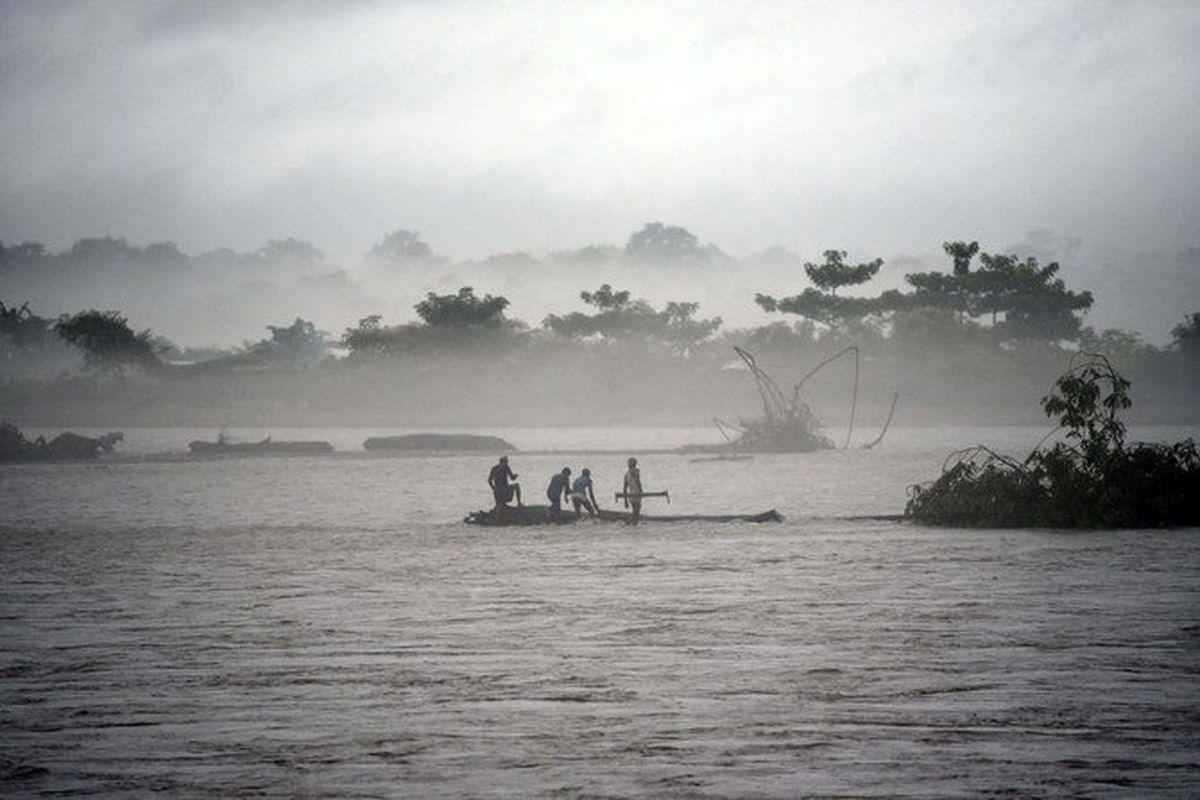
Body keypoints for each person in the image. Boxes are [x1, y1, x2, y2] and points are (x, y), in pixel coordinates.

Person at [622, 457, 642, 525]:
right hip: (636, 493)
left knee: (635, 510)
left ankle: (631, 524)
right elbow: (638, 481)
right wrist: (641, 490)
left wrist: (625, 500)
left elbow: (624, 488)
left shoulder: (626, 474)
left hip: (630, 495)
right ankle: (631, 523)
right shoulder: (635, 471)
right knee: (637, 511)